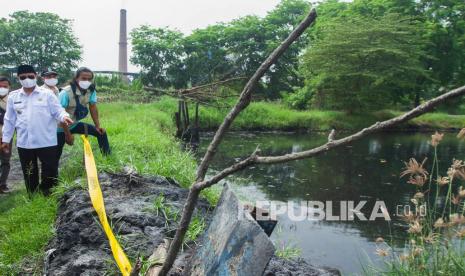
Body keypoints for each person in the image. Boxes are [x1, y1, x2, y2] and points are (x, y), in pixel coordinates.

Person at [1, 65, 73, 195]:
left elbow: (58, 111)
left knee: (50, 172)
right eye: (23, 77)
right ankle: (33, 198)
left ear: (36, 76)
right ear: (18, 79)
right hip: (25, 143)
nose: (27, 79)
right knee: (30, 174)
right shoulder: (13, 96)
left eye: (30, 76)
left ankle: (48, 196)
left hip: (46, 141)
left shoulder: (47, 94)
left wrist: (65, 117)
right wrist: (6, 140)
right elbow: (9, 120)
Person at [57, 67, 110, 160]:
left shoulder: (91, 90)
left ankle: (107, 158)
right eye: (84, 78)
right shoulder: (65, 93)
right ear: (76, 78)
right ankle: (52, 172)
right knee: (55, 153)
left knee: (101, 133)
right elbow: (59, 115)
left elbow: (93, 107)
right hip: (59, 127)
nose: (87, 81)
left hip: (74, 124)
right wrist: (68, 135)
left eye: (89, 79)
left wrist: (97, 126)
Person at [0, 76, 11, 193]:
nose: (2, 88)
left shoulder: (12, 100)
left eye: (5, 86)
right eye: (0, 86)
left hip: (6, 137)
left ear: (9, 87)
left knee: (5, 161)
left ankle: (2, 184)